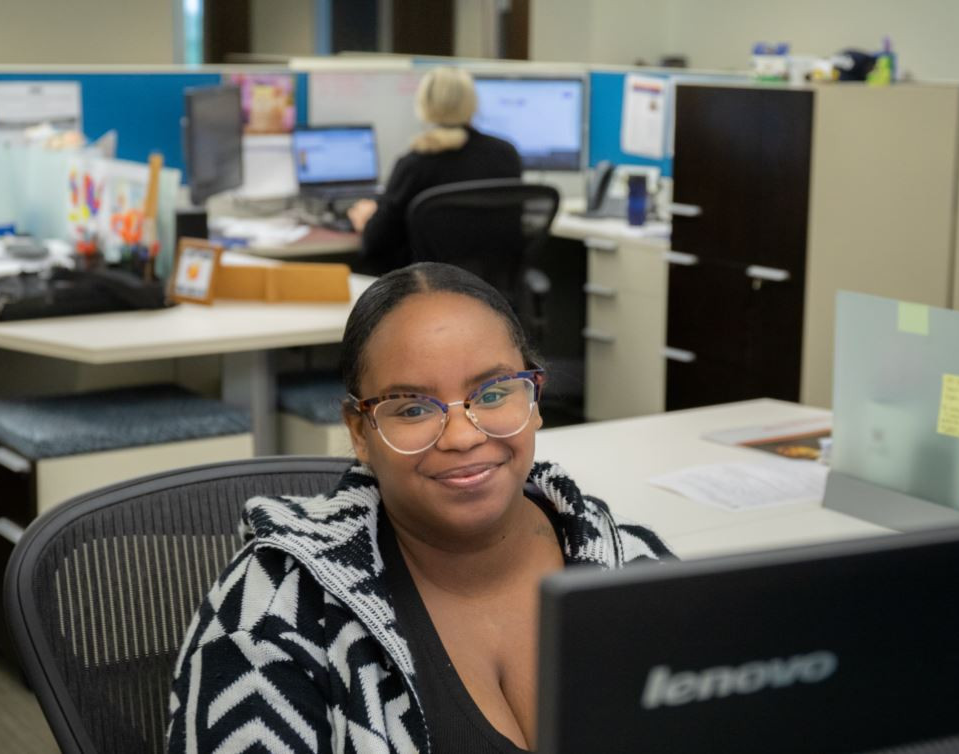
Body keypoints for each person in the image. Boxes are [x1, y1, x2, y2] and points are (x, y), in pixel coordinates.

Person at [167, 262, 671, 753]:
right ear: (360, 431)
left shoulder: (631, 563)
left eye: (493, 392)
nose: (462, 436)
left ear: (534, 400)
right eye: (412, 408)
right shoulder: (276, 611)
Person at [348, 67, 522, 275]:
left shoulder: (415, 164)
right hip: (490, 291)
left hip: (430, 290)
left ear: (424, 106)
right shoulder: (505, 154)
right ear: (472, 104)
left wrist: (367, 220)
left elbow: (375, 243)